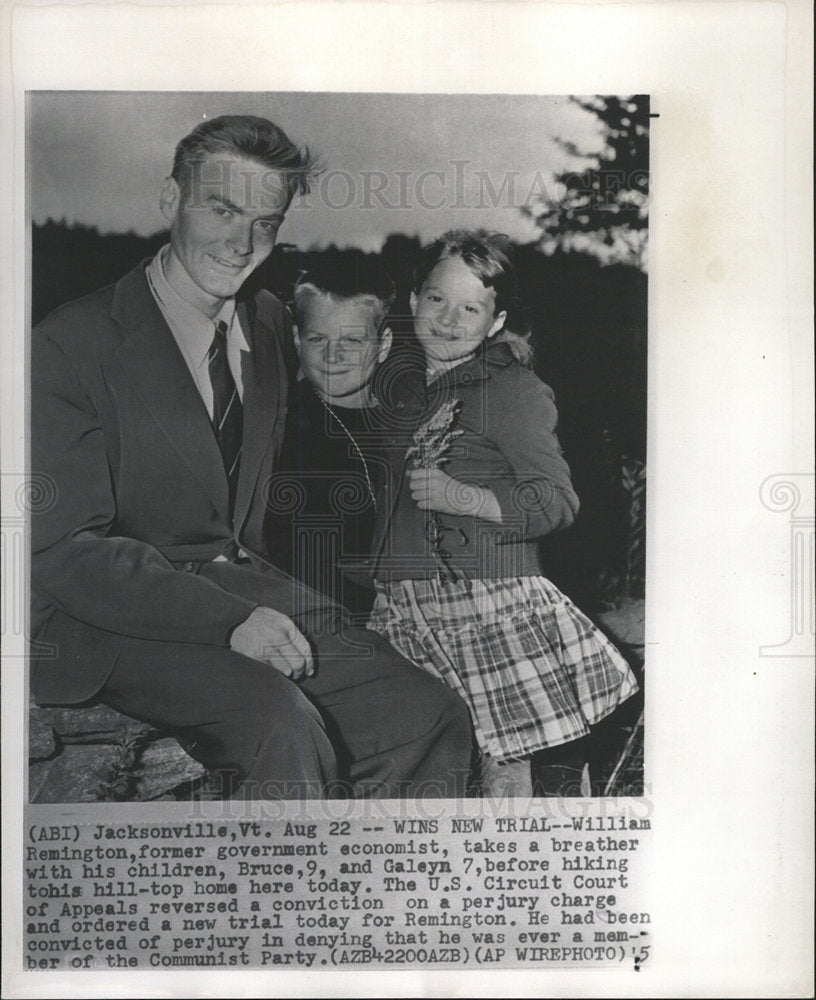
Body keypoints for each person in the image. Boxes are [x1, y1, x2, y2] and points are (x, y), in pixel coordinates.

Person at [30, 116, 471, 800]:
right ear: (170, 200)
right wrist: (229, 622)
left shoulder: (264, 323)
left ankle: (377, 898)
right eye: (224, 210)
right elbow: (65, 553)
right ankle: (282, 900)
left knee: (425, 714)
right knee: (279, 725)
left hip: (236, 583)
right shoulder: (69, 344)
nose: (243, 243)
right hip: (100, 617)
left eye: (266, 222)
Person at [367, 229, 639, 797]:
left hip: (487, 602)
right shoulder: (405, 386)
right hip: (405, 604)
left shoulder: (513, 389)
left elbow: (557, 502)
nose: (448, 319)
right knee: (422, 756)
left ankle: (533, 856)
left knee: (511, 767)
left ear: (495, 322)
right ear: (413, 300)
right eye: (437, 299)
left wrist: (459, 497)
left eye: (471, 307)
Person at [264, 257, 394, 620]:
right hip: (327, 619)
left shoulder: (411, 420)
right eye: (317, 338)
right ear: (296, 340)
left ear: (383, 345)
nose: (332, 355)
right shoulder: (285, 429)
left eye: (352, 340)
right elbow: (289, 557)